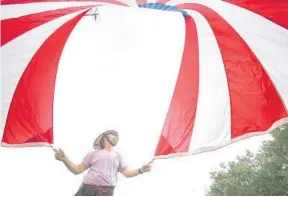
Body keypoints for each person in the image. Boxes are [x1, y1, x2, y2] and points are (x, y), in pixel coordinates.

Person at [53, 130, 153, 196]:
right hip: (87, 191)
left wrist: (140, 170)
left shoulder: (118, 157)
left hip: (106, 193)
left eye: (117, 136)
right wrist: (64, 159)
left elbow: (127, 173)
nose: (116, 137)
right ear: (105, 138)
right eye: (113, 135)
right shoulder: (93, 154)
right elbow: (77, 170)